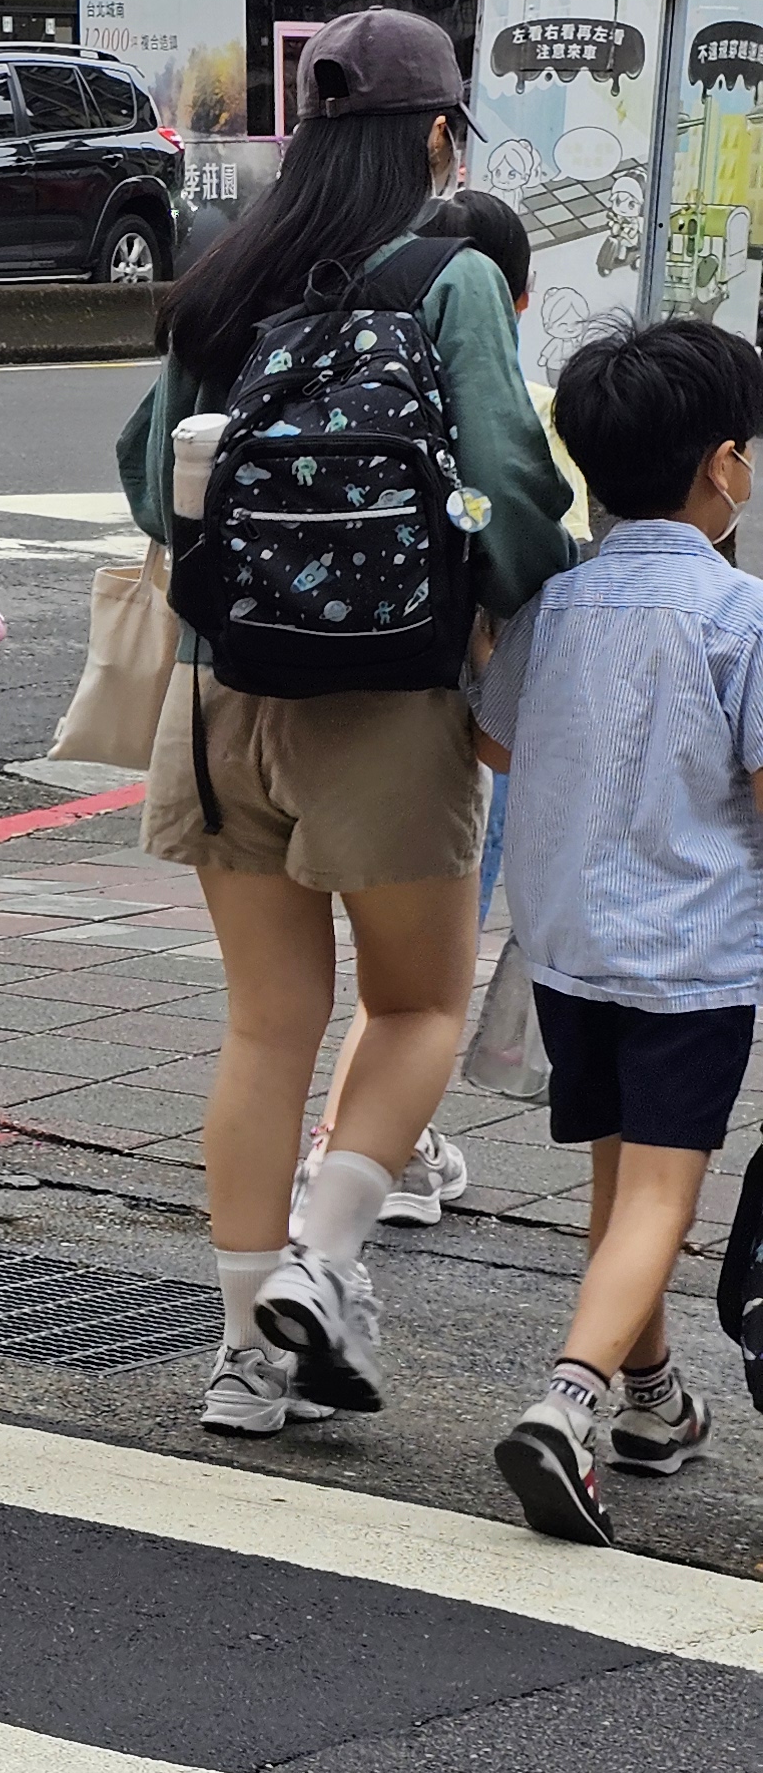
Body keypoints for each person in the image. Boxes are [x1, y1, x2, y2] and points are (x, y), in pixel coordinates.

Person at [114, 8, 574, 1441]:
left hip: (218, 688)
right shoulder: (450, 279)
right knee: (420, 1003)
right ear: (440, 137)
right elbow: (507, 479)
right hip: (386, 698)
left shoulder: (225, 279)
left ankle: (248, 1359)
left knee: (266, 1027)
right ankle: (325, 1258)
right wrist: (507, 600)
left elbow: (147, 478)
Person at [467, 319, 763, 1544]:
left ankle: (651, 1400)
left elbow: (494, 738)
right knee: (658, 1195)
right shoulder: (736, 615)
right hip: (693, 954)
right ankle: (566, 1403)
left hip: (570, 946)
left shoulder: (557, 605)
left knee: (615, 1180)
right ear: (727, 467)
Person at [295, 187, 539, 1231]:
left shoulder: (302, 307)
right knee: (415, 990)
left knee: (316, 1000)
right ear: (508, 299)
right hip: (439, 701)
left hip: (260, 685)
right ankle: (348, 1157)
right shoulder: (489, 368)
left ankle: (359, 1158)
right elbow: (520, 536)